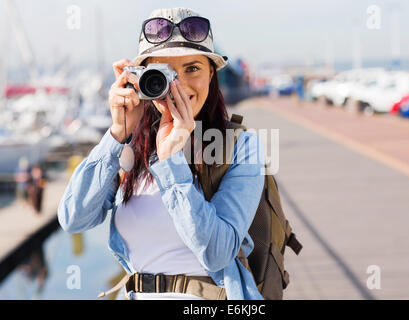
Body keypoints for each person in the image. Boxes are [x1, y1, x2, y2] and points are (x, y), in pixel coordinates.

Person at [57, 7, 265, 300]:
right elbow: (74, 218)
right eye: (163, 74)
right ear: (140, 79)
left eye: (192, 68)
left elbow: (217, 253)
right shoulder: (130, 150)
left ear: (211, 76)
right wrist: (117, 134)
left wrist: (171, 161)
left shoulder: (242, 147)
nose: (177, 85)